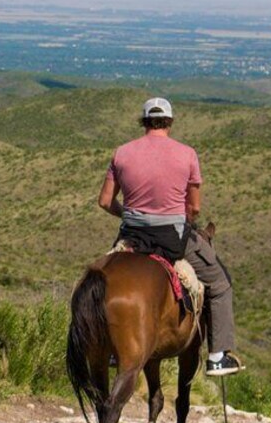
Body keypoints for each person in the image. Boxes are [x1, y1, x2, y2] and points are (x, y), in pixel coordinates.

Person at [98, 97, 244, 376]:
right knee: (220, 282)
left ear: (143, 122)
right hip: (173, 238)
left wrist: (129, 215)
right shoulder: (187, 154)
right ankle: (217, 357)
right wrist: (181, 218)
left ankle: (111, 347)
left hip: (132, 237)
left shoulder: (122, 153)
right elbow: (195, 207)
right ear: (169, 122)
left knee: (104, 279)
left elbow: (105, 201)